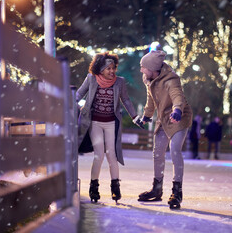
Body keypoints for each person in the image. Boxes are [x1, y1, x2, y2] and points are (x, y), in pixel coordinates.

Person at [76, 52, 143, 203]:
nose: (112, 71)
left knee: (111, 155)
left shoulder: (119, 82)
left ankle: (115, 187)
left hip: (111, 123)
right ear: (100, 69)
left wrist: (134, 117)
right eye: (108, 68)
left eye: (113, 68)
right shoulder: (91, 79)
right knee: (99, 155)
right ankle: (94, 187)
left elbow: (125, 99)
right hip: (95, 123)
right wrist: (69, 103)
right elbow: (79, 94)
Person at [137, 50, 193, 209]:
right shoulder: (148, 78)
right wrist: (147, 115)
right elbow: (151, 98)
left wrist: (177, 110)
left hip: (179, 116)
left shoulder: (171, 79)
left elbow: (177, 96)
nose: (141, 70)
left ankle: (177, 192)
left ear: (153, 69)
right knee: (158, 152)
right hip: (163, 117)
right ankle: (157, 189)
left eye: (144, 67)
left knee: (175, 150)